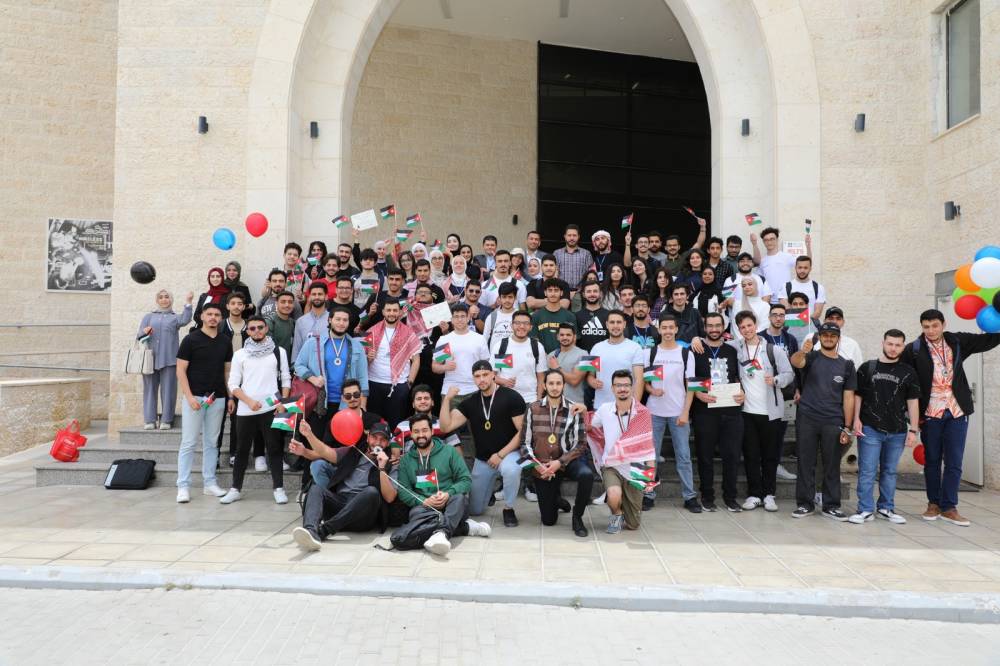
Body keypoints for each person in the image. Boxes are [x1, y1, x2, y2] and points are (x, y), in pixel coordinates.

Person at [903, 309, 1000, 526]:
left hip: (957, 411)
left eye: (934, 325)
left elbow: (986, 341)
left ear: (943, 324)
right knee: (932, 460)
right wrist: (911, 418)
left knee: (954, 461)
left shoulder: (957, 341)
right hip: (931, 413)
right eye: (926, 327)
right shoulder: (913, 349)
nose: (931, 330)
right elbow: (906, 385)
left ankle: (949, 507)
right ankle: (933, 504)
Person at [848, 329, 921, 525]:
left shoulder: (908, 372)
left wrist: (913, 429)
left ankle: (886, 508)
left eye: (898, 345)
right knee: (867, 471)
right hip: (870, 428)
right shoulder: (867, 367)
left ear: (903, 347)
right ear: (883, 343)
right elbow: (858, 395)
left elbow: (913, 401)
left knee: (889, 471)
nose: (893, 348)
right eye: (890, 344)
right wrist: (856, 419)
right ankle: (865, 510)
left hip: (898, 430)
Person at [440, 362, 526, 526]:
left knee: (511, 469)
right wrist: (447, 400)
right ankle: (488, 492)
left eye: (485, 374)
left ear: (493, 375)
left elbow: (522, 432)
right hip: (483, 460)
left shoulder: (511, 397)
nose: (482, 379)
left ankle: (508, 508)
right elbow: (445, 427)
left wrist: (500, 455)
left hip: (508, 454)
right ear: (473, 378)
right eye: (477, 376)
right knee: (475, 510)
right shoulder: (471, 402)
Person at [290, 420, 398, 550]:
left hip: (362, 514)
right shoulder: (353, 451)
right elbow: (325, 451)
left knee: (371, 492)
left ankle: (324, 530)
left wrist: (382, 468)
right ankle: (311, 531)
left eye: (383, 440)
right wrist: (309, 435)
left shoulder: (392, 462)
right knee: (316, 488)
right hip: (340, 503)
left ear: (388, 443)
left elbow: (390, 497)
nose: (378, 443)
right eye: (374, 437)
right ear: (368, 438)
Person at [394, 414, 491, 555]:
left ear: (432, 431)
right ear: (411, 434)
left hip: (451, 504)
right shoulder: (406, 460)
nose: (421, 435)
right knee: (414, 513)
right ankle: (464, 528)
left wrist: (448, 493)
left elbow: (465, 480)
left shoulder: (449, 451)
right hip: (426, 509)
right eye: (416, 431)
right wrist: (424, 501)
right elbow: (404, 491)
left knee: (459, 498)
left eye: (424, 430)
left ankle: (441, 532)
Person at [222, 316, 292, 505]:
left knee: (275, 448)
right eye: (252, 328)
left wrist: (282, 402)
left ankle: (279, 488)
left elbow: (286, 378)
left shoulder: (278, 352)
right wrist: (248, 401)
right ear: (248, 331)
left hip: (272, 408)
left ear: (266, 328)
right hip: (246, 410)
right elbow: (233, 383)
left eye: (260, 327)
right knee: (241, 450)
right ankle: (235, 489)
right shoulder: (240, 354)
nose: (257, 331)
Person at [789, 323, 856, 520]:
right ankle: (805, 504)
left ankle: (831, 505)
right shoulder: (811, 357)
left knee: (832, 464)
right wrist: (803, 351)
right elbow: (796, 362)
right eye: (825, 335)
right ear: (820, 337)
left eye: (832, 335)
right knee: (805, 463)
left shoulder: (847, 365)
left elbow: (849, 397)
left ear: (838, 338)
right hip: (807, 418)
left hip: (833, 420)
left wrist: (848, 427)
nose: (828, 338)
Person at [729, 311, 794, 512]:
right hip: (747, 412)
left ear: (756, 325)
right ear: (738, 330)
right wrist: (696, 339)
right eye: (742, 327)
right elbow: (713, 344)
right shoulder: (735, 347)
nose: (746, 330)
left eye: (749, 325)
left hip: (771, 412)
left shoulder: (773, 350)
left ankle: (769, 494)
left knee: (770, 456)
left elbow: (789, 373)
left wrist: (776, 380)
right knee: (751, 455)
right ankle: (754, 494)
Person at [680, 312, 745, 512]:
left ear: (723, 327)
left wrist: (742, 391)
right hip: (704, 411)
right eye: (710, 326)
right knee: (705, 456)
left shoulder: (732, 350)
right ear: (705, 327)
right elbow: (688, 377)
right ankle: (707, 497)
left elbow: (738, 377)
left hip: (731, 410)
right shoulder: (695, 349)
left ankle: (730, 497)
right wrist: (697, 394)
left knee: (732, 456)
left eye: (718, 325)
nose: (714, 329)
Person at [174, 302, 231, 503]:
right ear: (202, 316)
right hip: (195, 398)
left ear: (221, 318)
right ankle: (183, 486)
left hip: (218, 398)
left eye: (217, 314)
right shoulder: (191, 339)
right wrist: (189, 397)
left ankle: (210, 483)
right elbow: (180, 370)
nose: (213, 317)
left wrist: (230, 397)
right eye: (210, 314)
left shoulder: (225, 341)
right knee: (189, 442)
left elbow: (227, 371)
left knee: (212, 443)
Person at [522, 369, 590, 537]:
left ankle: (577, 517)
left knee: (587, 475)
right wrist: (536, 465)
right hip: (543, 466)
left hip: (566, 462)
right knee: (548, 521)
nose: (554, 387)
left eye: (558, 383)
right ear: (544, 385)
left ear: (563, 385)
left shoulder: (574, 409)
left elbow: (581, 444)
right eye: (551, 383)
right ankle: (557, 500)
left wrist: (560, 462)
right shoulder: (532, 408)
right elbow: (524, 444)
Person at [589, 369, 656, 533]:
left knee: (633, 525)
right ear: (612, 388)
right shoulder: (605, 409)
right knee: (613, 494)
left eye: (626, 385)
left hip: (635, 468)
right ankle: (616, 513)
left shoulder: (642, 413)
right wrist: (579, 410)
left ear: (632, 387)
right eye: (618, 385)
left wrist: (650, 474)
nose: (622, 389)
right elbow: (588, 425)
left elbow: (648, 447)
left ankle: (627, 508)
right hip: (611, 465)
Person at [294, 307, 370, 450]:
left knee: (340, 445)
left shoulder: (356, 346)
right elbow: (298, 365)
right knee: (316, 444)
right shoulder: (313, 342)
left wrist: (362, 406)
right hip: (320, 403)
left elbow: (362, 376)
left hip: (346, 403)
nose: (341, 323)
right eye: (338, 319)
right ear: (330, 320)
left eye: (345, 320)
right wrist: (313, 378)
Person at [644, 316, 698, 512]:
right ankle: (648, 494)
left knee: (684, 457)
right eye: (664, 327)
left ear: (676, 329)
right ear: (659, 330)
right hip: (654, 412)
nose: (667, 331)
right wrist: (652, 390)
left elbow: (691, 386)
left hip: (678, 413)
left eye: (670, 327)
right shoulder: (649, 353)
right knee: (650, 456)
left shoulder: (686, 354)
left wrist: (685, 412)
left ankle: (689, 497)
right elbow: (645, 383)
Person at [138, 290, 194, 429]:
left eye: (167, 297)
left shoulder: (175, 318)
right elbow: (139, 335)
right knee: (149, 390)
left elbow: (185, 319)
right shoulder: (148, 317)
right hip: (150, 359)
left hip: (169, 359)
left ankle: (166, 420)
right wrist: (144, 332)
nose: (164, 299)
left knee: (169, 390)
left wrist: (188, 302)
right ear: (157, 300)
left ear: (171, 299)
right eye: (161, 297)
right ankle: (149, 420)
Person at [364, 299, 423, 430]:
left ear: (400, 312)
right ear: (383, 312)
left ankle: (396, 444)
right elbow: (362, 361)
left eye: (395, 310)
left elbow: (416, 360)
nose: (391, 313)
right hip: (374, 383)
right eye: (389, 310)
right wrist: (368, 358)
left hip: (399, 385)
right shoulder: (371, 331)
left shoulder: (408, 332)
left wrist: (409, 383)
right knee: (375, 425)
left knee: (396, 423)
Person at [759, 303, 801, 482]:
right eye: (775, 314)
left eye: (781, 315)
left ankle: (776, 465)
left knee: (780, 432)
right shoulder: (760, 337)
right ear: (769, 317)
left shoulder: (790, 339)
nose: (778, 318)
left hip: (786, 392)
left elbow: (796, 365)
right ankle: (762, 464)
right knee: (763, 431)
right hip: (764, 391)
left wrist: (798, 387)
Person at [433, 303, 490, 403]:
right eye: (456, 316)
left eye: (463, 316)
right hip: (450, 390)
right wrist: (444, 367)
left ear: (468, 318)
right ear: (451, 319)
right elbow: (435, 367)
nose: (459, 319)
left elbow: (486, 366)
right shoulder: (444, 340)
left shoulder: (479, 339)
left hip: (475, 389)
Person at [587, 310, 644, 409]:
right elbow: (590, 375)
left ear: (624, 324)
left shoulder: (635, 348)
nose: (615, 326)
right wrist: (592, 381)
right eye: (612, 322)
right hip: (601, 406)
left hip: (626, 407)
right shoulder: (597, 348)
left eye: (619, 322)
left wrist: (634, 407)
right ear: (607, 325)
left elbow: (639, 380)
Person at [492, 311, 545, 406]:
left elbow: (541, 377)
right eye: (517, 323)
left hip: (531, 400)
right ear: (511, 325)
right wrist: (503, 382)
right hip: (506, 400)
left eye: (526, 323)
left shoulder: (537, 346)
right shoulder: (502, 346)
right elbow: (491, 375)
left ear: (531, 327)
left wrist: (538, 400)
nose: (521, 326)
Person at [751, 227, 809, 304]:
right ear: (763, 242)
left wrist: (808, 246)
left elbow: (806, 262)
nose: (769, 242)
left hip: (785, 300)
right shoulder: (762, 261)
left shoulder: (786, 257)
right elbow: (759, 281)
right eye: (766, 240)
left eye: (772, 239)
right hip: (769, 301)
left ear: (777, 239)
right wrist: (754, 244)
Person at [531, 278, 576, 353]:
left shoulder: (570, 316)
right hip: (542, 357)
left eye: (556, 290)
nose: (553, 294)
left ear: (561, 293)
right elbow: (534, 340)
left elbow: (573, 340)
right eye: (550, 290)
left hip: (564, 357)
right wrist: (543, 356)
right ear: (545, 293)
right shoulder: (536, 316)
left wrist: (565, 356)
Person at [546, 323, 587, 405]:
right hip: (553, 404)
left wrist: (557, 368)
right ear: (557, 337)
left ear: (574, 337)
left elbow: (574, 381)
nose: (565, 337)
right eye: (562, 335)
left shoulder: (584, 355)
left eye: (568, 335)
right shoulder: (551, 355)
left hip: (575, 404)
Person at [779, 255, 826, 319]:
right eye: (800, 267)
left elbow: (817, 313)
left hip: (811, 324)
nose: (802, 270)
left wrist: (804, 322)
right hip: (791, 323)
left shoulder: (819, 288)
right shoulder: (785, 287)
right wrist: (798, 322)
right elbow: (787, 310)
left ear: (810, 269)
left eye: (805, 268)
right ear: (795, 268)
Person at [292, 283, 331, 360]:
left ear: (326, 296)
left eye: (320, 294)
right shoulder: (301, 321)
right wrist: (294, 365)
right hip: (306, 365)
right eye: (314, 294)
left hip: (328, 363)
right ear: (309, 297)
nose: (317, 297)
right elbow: (296, 348)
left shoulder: (333, 320)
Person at [554, 224, 594, 294]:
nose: (572, 238)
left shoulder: (586, 254)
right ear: (565, 236)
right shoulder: (557, 253)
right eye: (569, 235)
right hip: (561, 292)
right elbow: (553, 274)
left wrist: (582, 290)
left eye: (574, 235)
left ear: (578, 237)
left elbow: (590, 274)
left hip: (580, 292)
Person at [575, 280, 609, 351]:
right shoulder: (576, 316)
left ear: (600, 294)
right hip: (583, 356)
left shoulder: (608, 315)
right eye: (589, 291)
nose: (592, 294)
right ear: (584, 294)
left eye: (595, 291)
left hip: (604, 355)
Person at [482, 281, 518, 347]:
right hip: (495, 353)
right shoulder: (492, 316)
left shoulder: (520, 316)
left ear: (515, 298)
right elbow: (484, 340)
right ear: (499, 298)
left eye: (510, 297)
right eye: (504, 297)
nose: (507, 300)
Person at [265, 291, 297, 358]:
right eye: (283, 302)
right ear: (276, 304)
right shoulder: (269, 322)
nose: (287, 305)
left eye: (290, 302)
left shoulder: (293, 323)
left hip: (289, 362)